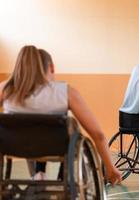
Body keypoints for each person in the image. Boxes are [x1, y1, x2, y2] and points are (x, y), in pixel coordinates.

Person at [0, 46, 122, 185]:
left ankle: (38, 174)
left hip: (16, 147)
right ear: (51, 68)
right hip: (57, 148)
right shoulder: (65, 92)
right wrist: (110, 167)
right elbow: (98, 135)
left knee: (27, 128)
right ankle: (63, 180)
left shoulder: (5, 89)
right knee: (73, 129)